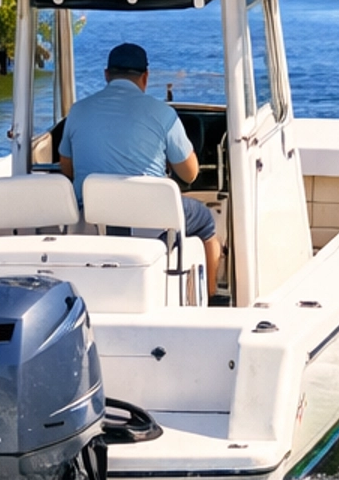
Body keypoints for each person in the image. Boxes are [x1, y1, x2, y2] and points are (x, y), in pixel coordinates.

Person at [57, 41, 220, 298]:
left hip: (91, 217)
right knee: (207, 222)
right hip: (150, 221)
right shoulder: (163, 114)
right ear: (145, 77)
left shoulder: (77, 112)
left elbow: (68, 169)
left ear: (106, 75)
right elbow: (190, 174)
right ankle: (211, 298)